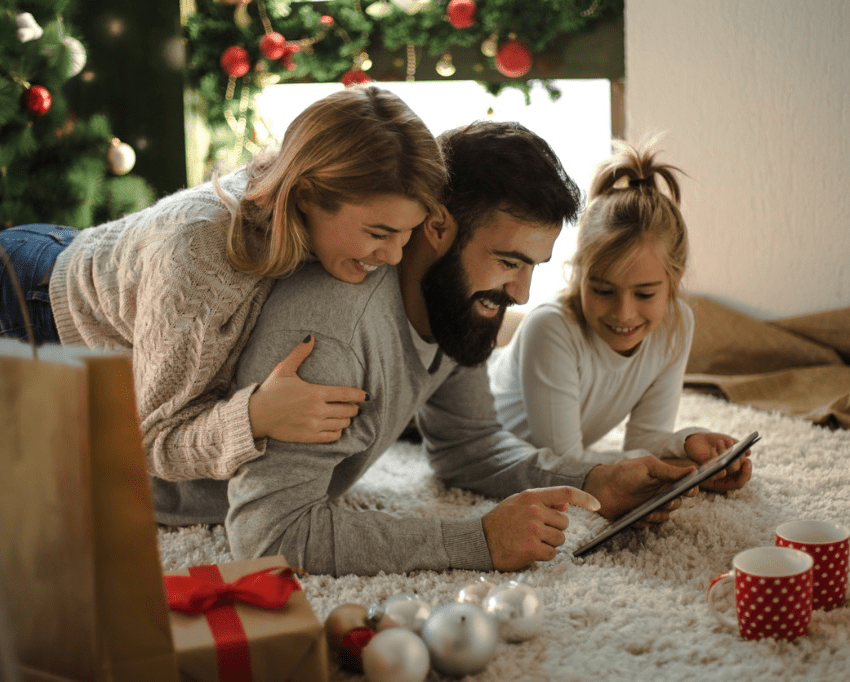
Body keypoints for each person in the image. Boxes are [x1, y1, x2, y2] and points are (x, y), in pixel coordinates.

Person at [152, 122, 704, 577]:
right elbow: (268, 534)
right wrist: (475, 540)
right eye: (509, 262)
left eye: (533, 267)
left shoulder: (453, 305)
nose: (521, 296)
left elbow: (470, 445)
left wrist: (591, 480)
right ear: (439, 227)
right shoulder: (332, 336)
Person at [0, 85, 447, 480]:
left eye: (408, 234)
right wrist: (254, 417)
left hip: (73, 255)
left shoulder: (302, 212)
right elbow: (149, 437)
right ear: (308, 194)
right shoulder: (202, 265)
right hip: (6, 305)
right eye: (379, 233)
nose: (395, 256)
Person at [488, 142, 753, 487]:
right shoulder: (550, 328)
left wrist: (688, 449)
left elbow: (644, 441)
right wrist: (675, 468)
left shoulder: (676, 324)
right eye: (602, 290)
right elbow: (564, 463)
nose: (624, 313)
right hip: (465, 406)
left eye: (644, 294)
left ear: (673, 281)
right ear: (580, 273)